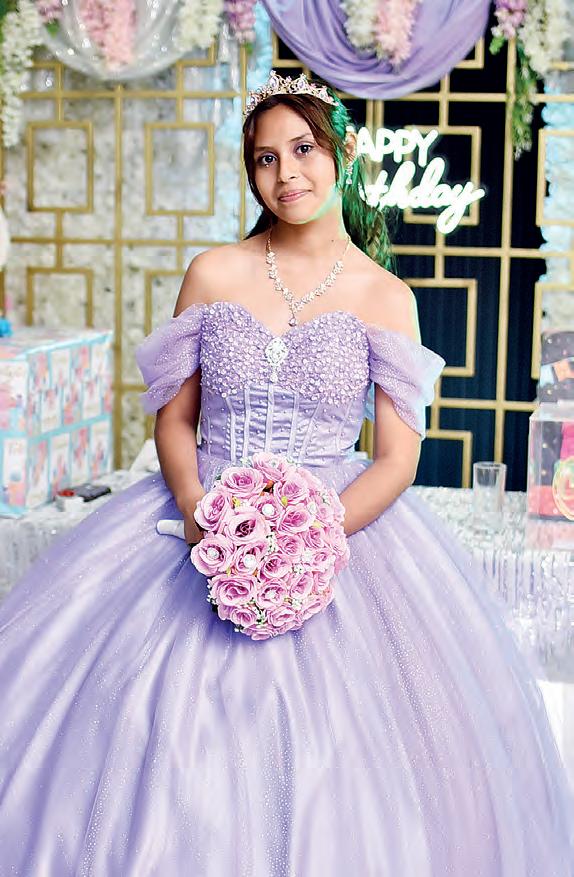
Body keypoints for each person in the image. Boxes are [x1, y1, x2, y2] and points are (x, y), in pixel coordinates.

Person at [0, 70, 573, 876]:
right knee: (150, 741)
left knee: (341, 764)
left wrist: (305, 537)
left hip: (336, 531)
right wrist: (200, 511)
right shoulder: (214, 272)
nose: (286, 174)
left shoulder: (385, 295)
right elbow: (174, 420)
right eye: (265, 159)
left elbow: (398, 458)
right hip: (199, 521)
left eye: (303, 149)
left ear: (341, 152)